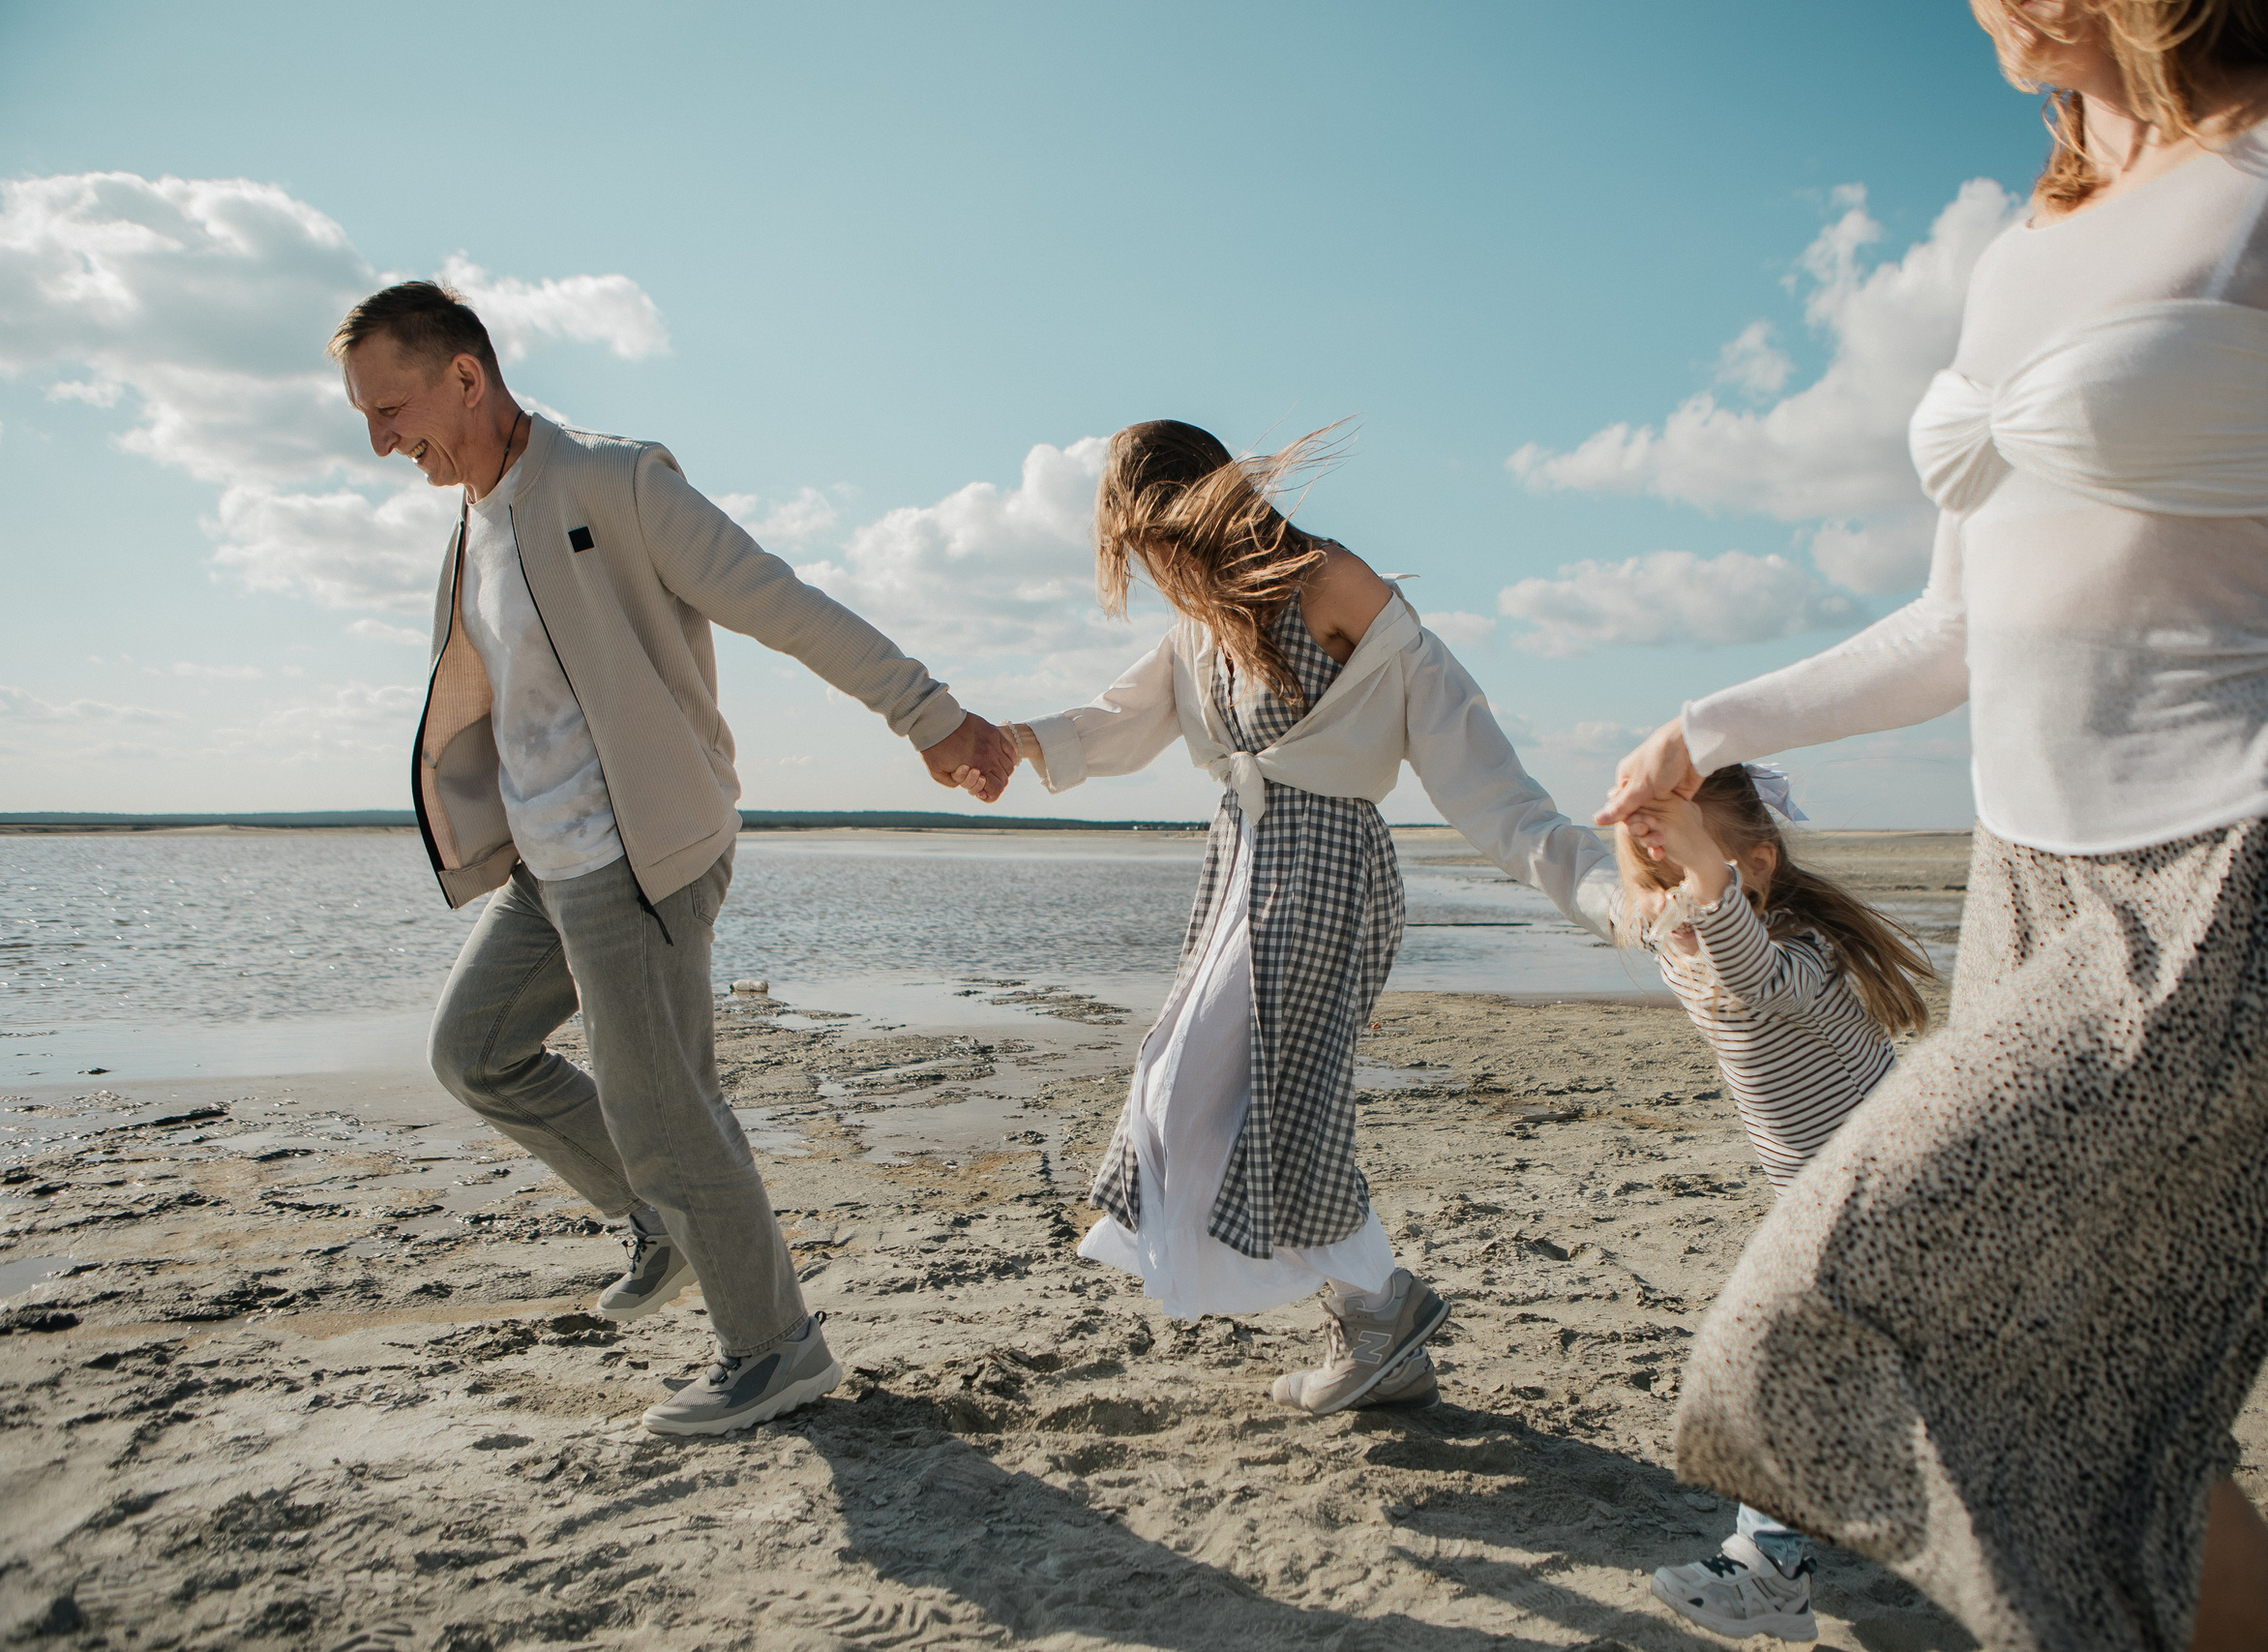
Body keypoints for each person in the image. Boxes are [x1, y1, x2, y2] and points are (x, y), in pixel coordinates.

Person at [1597, 6, 2268, 1648]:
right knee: (2071, 1393)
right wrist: (1704, 729)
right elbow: (1956, 628)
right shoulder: (2021, 251)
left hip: (2252, 855)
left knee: (1823, 1302)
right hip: (2026, 878)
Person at [333, 281, 1018, 1437]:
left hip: (637, 852)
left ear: (466, 376)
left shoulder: (615, 481)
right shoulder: (471, 529)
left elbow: (780, 601)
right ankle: (660, 1217)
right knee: (475, 1052)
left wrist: (929, 714)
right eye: (366, 418)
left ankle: (776, 1348)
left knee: (670, 1114)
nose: (380, 441)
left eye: (390, 409)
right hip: (545, 867)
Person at [995, 420, 1624, 1414]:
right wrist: (1007, 743)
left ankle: (1379, 1307)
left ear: (1187, 515)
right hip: (1241, 866)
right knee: (1203, 1093)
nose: (1152, 571)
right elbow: (1117, 724)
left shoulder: (1331, 582)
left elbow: (1478, 767)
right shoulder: (1199, 626)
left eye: (1149, 544)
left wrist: (1605, 891)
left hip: (1326, 864)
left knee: (1224, 1090)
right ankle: (1375, 1317)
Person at [1611, 764, 1934, 1643]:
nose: (1676, 893)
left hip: (1889, 1197)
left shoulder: (1796, 956)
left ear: (1754, 866)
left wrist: (1694, 867)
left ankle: (1769, 1569)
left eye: (1692, 866)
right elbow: (1597, 882)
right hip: (1824, 1206)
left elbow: (1749, 973)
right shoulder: (1678, 934)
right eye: (1657, 869)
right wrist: (1641, 862)